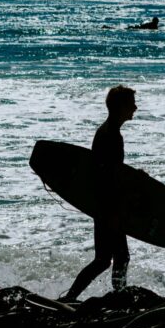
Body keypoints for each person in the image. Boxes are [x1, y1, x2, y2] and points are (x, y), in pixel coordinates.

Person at [63, 85, 137, 301]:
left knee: (106, 259)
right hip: (107, 205)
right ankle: (117, 297)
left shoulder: (107, 131)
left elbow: (110, 171)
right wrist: (113, 211)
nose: (135, 107)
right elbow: (107, 177)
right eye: (131, 103)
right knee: (116, 257)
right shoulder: (111, 135)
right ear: (121, 106)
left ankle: (73, 297)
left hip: (103, 203)